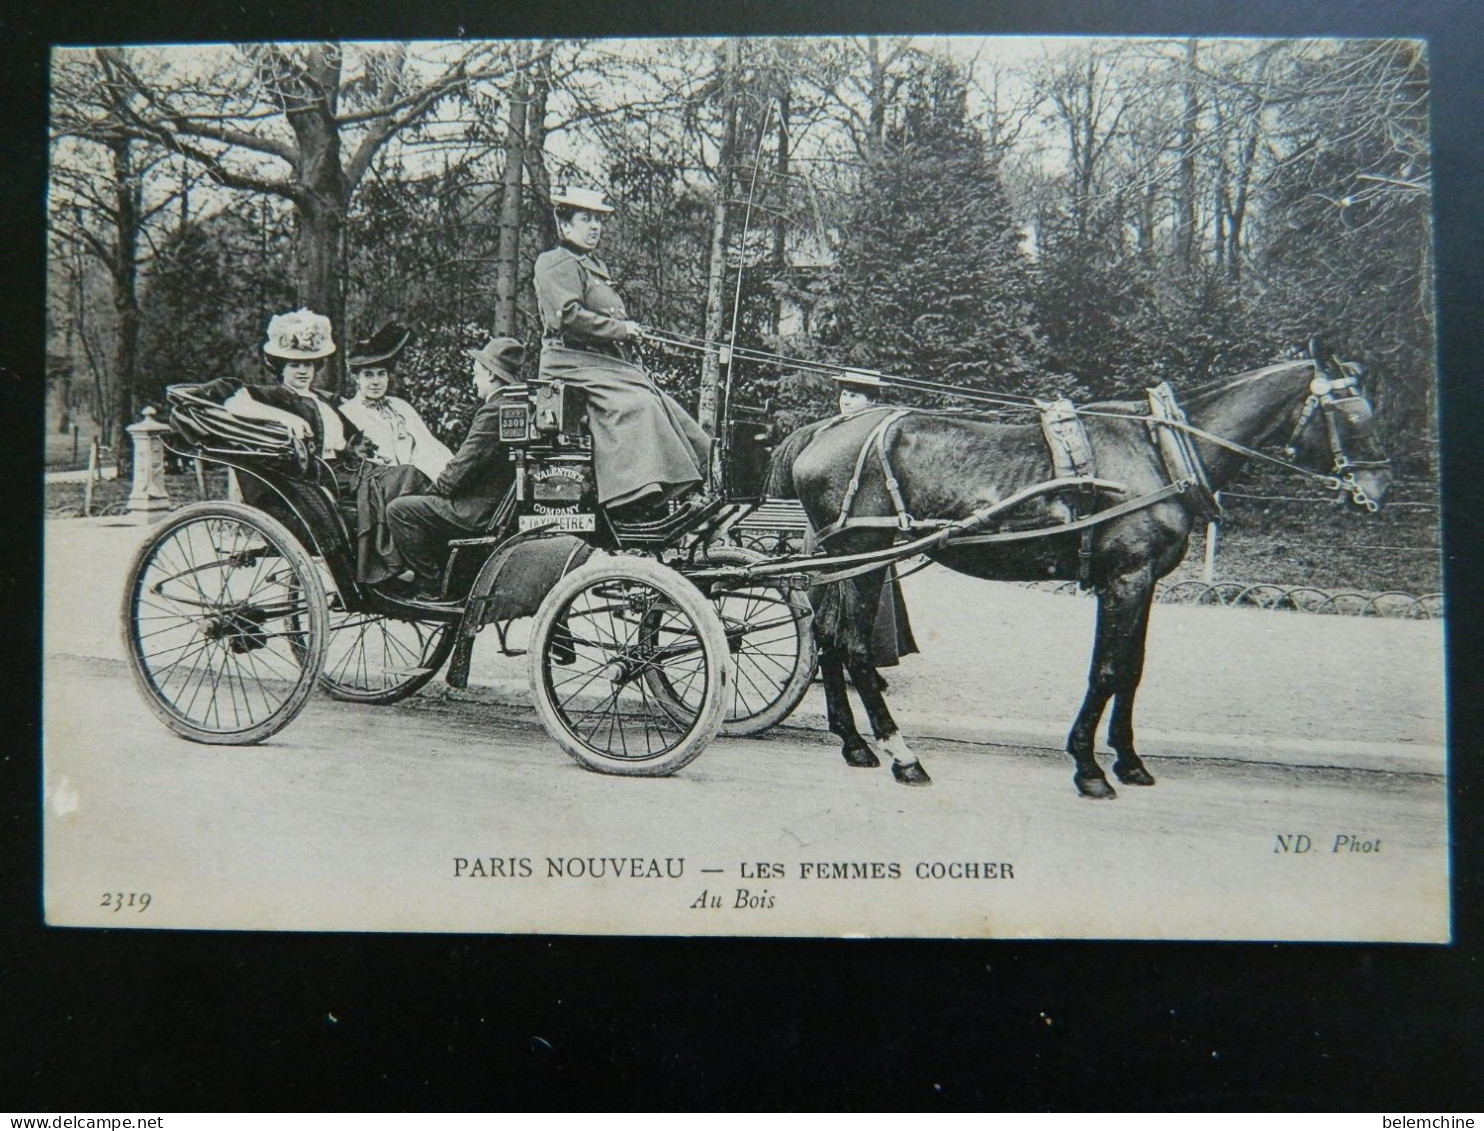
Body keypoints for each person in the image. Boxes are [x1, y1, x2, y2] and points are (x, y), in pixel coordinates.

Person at [532, 185, 711, 519]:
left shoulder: (593, 265)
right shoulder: (555, 262)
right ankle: (633, 498)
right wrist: (621, 330)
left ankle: (680, 489)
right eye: (586, 219)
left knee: (664, 404)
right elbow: (568, 317)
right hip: (570, 363)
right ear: (565, 225)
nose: (595, 226)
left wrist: (628, 334)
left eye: (598, 220)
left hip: (601, 362)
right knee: (637, 406)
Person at [383, 337, 525, 601]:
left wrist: (436, 491)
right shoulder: (518, 405)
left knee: (399, 510)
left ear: (491, 374)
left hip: (477, 512)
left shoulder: (494, 410)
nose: (474, 381)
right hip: (496, 507)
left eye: (476, 374)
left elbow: (464, 465)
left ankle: (431, 588)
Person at [826, 368, 919, 671]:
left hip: (864, 522)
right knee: (825, 587)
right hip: (831, 521)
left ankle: (865, 660)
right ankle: (825, 656)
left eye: (855, 395)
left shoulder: (878, 435)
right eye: (844, 394)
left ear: (871, 400)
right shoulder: (833, 430)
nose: (847, 401)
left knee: (872, 590)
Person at [339, 322, 454, 481]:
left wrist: (450, 474)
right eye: (368, 375)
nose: (376, 382)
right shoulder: (347, 413)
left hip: (418, 478)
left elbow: (429, 446)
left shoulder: (400, 406)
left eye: (381, 374)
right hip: (381, 483)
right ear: (356, 378)